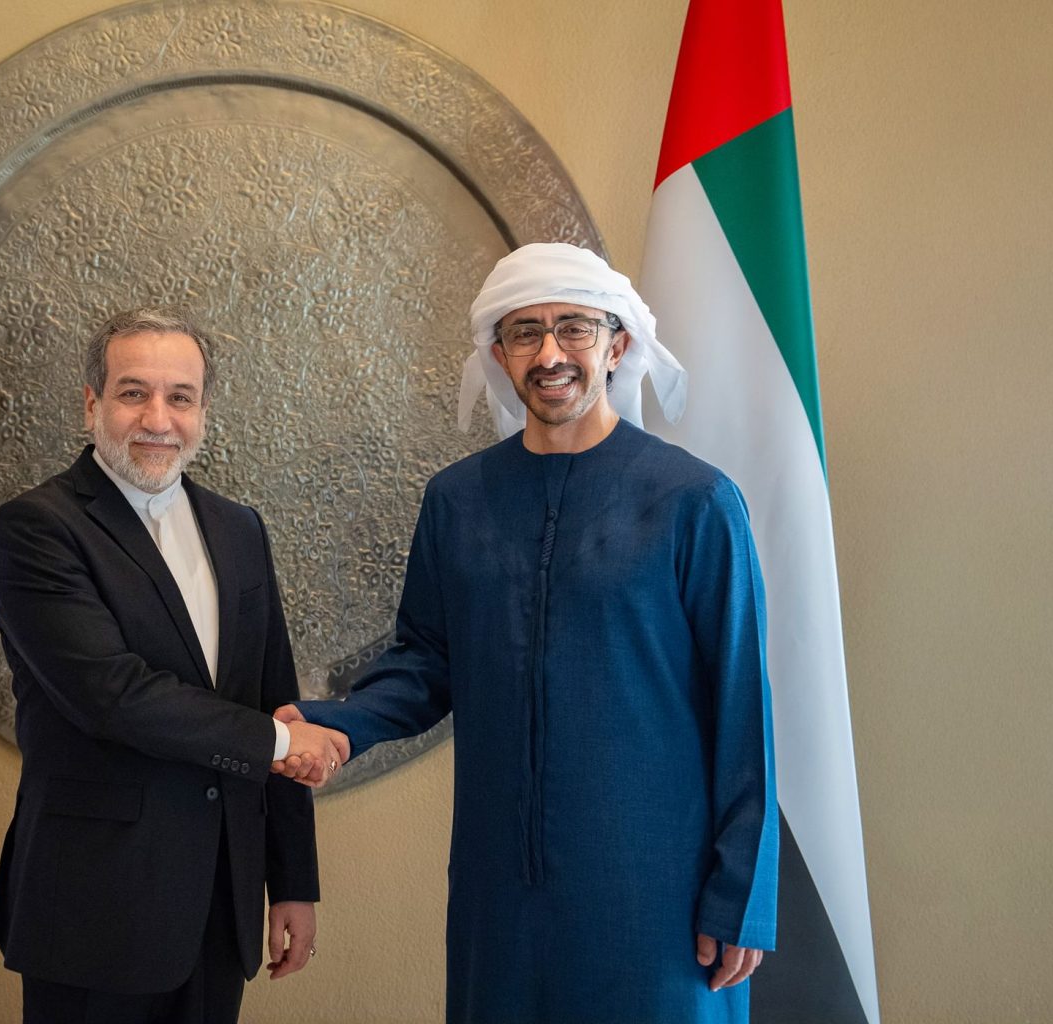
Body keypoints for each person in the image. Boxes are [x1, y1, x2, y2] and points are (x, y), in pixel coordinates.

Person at [281, 244, 779, 1023]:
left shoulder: (695, 500)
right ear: (499, 354)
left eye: (574, 327)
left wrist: (742, 894)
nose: (550, 354)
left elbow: (742, 704)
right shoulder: (457, 500)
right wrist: (340, 726)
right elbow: (427, 661)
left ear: (616, 345)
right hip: (500, 892)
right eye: (525, 332)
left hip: (656, 892)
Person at [0, 307, 344, 1024]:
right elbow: (112, 694)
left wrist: (292, 880)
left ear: (203, 411)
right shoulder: (37, 528)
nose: (158, 418)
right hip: (95, 904)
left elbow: (275, 697)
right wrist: (279, 743)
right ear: (92, 403)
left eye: (180, 397)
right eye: (133, 393)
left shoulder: (239, 529)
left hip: (221, 902)